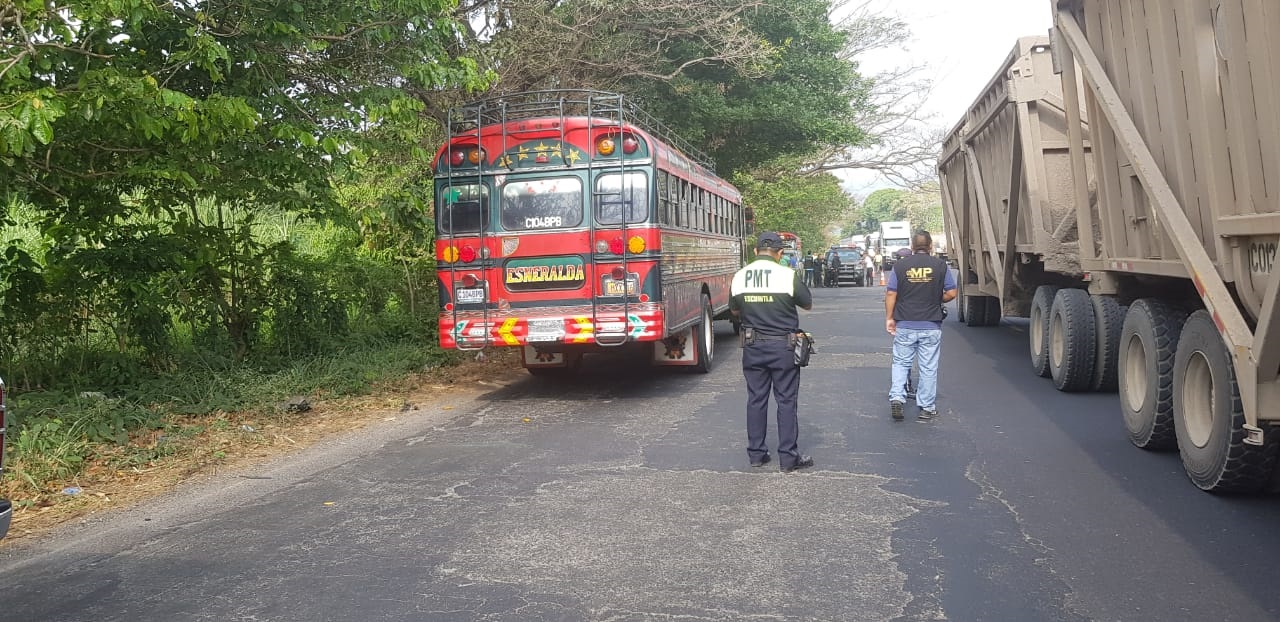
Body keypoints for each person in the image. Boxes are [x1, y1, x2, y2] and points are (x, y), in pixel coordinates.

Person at [729, 232, 815, 473]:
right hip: (783, 347)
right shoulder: (787, 275)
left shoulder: (740, 276)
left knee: (756, 399)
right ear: (779, 254)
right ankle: (788, 458)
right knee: (786, 400)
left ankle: (756, 454)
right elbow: (807, 303)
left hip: (753, 346)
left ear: (755, 252)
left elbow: (734, 311)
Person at [884, 230, 957, 421]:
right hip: (931, 324)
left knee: (901, 362)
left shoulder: (900, 266)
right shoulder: (940, 265)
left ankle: (898, 398)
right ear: (931, 246)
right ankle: (926, 407)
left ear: (912, 246)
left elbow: (891, 293)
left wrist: (890, 318)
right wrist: (934, 298)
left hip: (905, 323)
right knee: (928, 367)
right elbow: (952, 293)